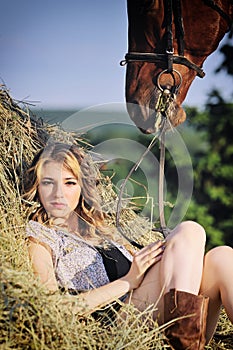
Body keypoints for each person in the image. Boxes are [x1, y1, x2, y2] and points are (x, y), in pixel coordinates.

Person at [23, 142, 233, 350]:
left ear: (82, 187)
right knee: (189, 229)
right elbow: (52, 308)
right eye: (48, 182)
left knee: (222, 256)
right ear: (37, 186)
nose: (58, 193)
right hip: (113, 324)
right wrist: (127, 281)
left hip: (150, 308)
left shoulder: (101, 229)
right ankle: (184, 341)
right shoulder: (41, 235)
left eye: (69, 183)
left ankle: (186, 337)